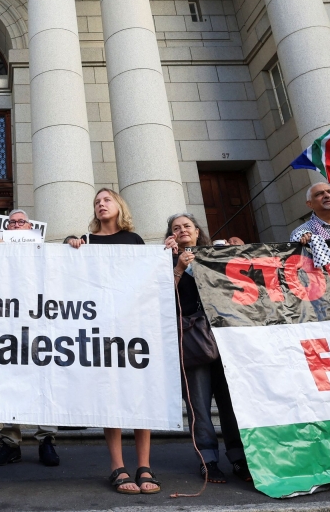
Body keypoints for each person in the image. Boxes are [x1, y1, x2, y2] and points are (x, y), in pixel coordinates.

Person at [68, 188, 160, 495]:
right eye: (96, 202)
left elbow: (148, 282)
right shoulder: (87, 241)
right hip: (101, 329)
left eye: (106, 200)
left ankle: (144, 466)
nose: (101, 204)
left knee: (138, 395)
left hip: (134, 328)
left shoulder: (134, 241)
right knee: (112, 395)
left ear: (119, 206)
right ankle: (117, 466)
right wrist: (72, 246)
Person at [164, 213, 249, 484]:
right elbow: (161, 297)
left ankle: (239, 458)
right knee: (198, 404)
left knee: (230, 401)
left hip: (224, 337)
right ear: (171, 235)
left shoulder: (215, 255)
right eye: (176, 228)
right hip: (192, 338)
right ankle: (208, 461)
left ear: (197, 231)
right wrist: (177, 266)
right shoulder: (165, 261)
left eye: (187, 226)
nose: (182, 230)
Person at [0, 209, 59, 468]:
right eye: (12, 223)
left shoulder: (44, 250)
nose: (16, 225)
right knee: (10, 378)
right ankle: (10, 442)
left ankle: (47, 439)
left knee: (44, 378)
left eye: (21, 222)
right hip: (7, 324)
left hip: (40, 322)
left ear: (31, 226)